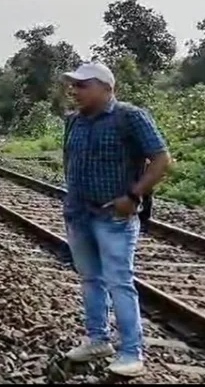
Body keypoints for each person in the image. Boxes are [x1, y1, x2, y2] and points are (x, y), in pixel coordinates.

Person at [61, 62, 171, 377]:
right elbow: (70, 161)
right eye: (73, 85)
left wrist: (134, 196)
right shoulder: (74, 122)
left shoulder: (130, 117)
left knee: (119, 282)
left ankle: (131, 352)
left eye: (82, 85)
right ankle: (97, 339)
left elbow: (161, 158)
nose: (74, 91)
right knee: (90, 279)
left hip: (113, 215)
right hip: (79, 212)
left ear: (106, 87)